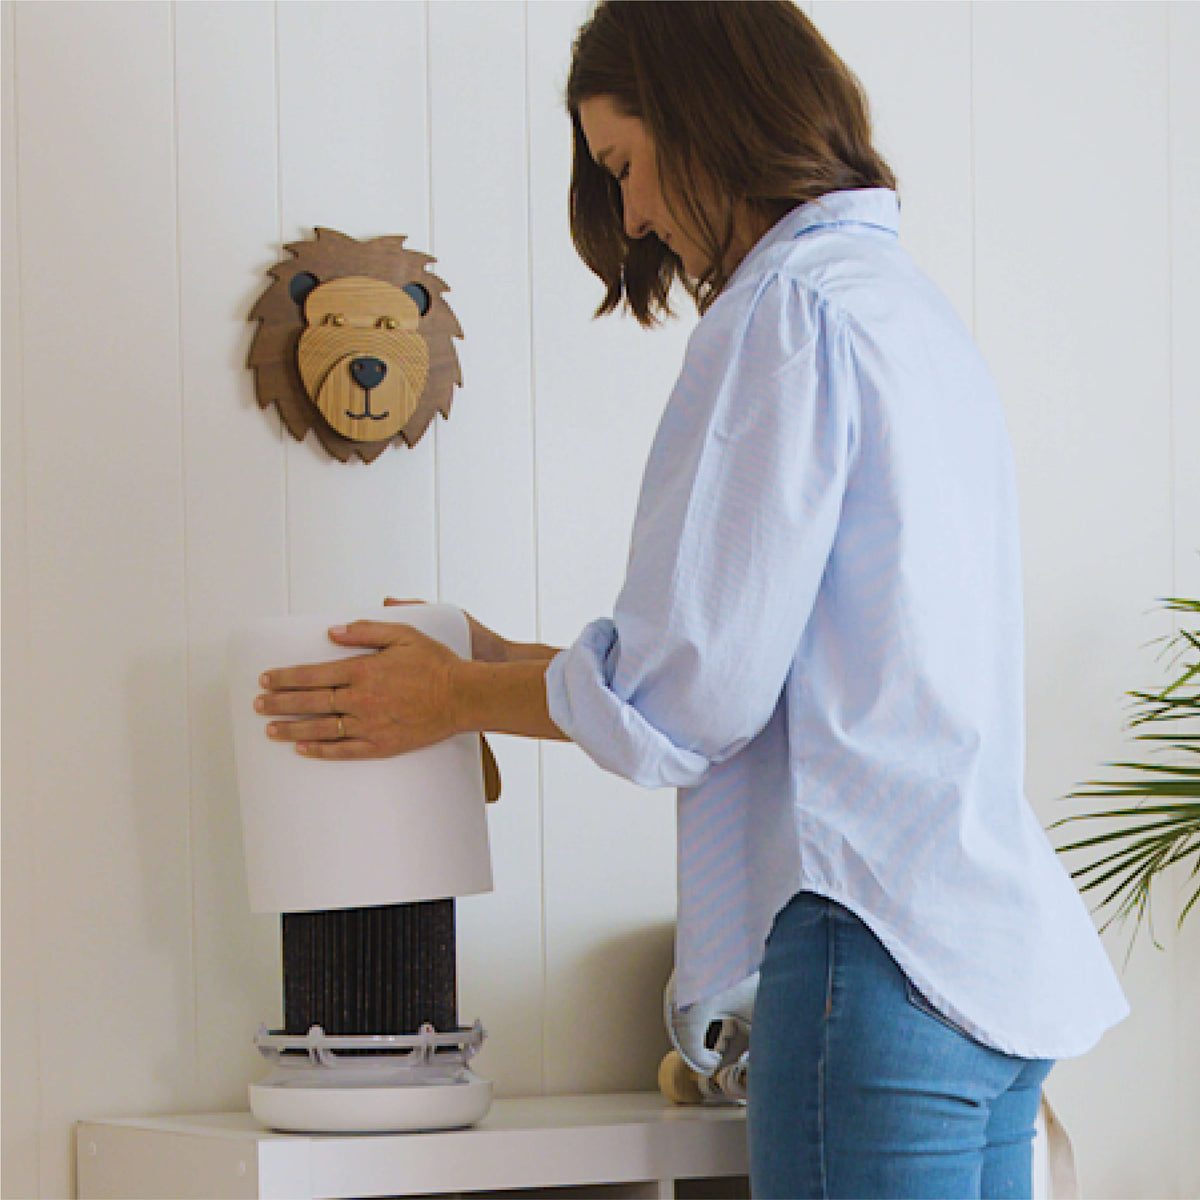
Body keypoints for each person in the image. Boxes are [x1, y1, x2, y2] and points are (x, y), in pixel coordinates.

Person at [256, 4, 1128, 1196]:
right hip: (984, 961)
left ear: (704, 116)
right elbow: (800, 672)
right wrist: (507, 660)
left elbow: (695, 693)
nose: (632, 216)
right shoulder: (903, 309)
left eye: (622, 164)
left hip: (872, 954)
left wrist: (457, 693)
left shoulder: (783, 314)